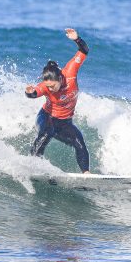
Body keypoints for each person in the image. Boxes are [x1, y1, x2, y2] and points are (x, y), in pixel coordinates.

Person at [25, 28, 90, 173]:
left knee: (79, 142)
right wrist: (29, 92)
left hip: (65, 122)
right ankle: (32, 166)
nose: (50, 89)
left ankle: (86, 174)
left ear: (60, 78)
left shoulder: (71, 72)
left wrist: (76, 39)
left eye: (53, 85)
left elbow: (84, 50)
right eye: (48, 86)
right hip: (46, 117)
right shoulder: (45, 87)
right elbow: (35, 93)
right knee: (46, 133)